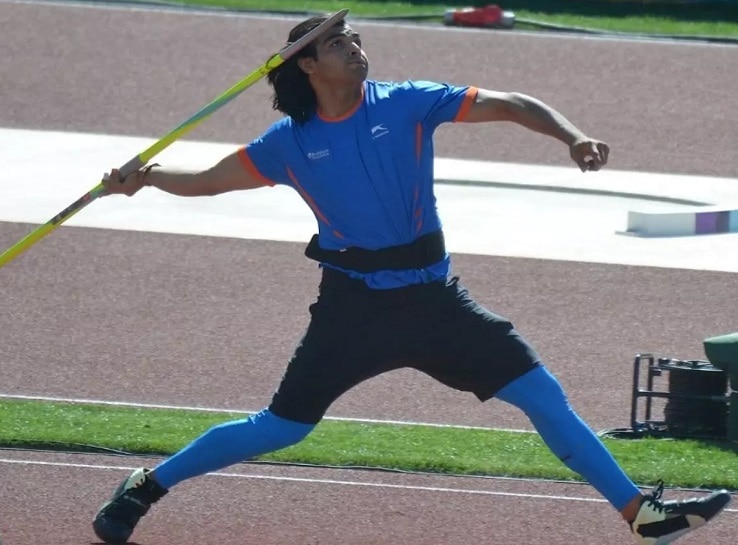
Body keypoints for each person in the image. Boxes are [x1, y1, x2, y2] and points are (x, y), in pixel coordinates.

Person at [92, 13, 731, 545]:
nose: (356, 48)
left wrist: (572, 135)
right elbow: (206, 181)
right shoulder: (287, 143)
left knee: (542, 395)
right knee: (281, 428)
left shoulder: (407, 103)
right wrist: (145, 178)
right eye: (339, 44)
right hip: (353, 309)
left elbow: (511, 104)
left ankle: (642, 517)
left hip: (435, 303)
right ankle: (146, 485)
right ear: (308, 66)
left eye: (357, 38)